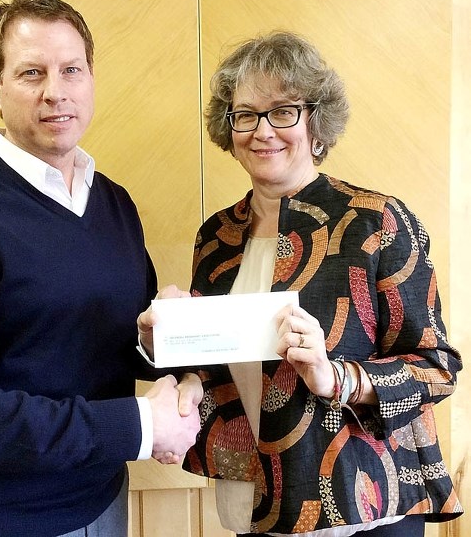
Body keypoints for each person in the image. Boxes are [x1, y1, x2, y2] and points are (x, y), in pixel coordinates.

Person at [0, 0, 201, 537]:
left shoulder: (114, 203)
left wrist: (164, 344)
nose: (56, 92)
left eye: (71, 70)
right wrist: (140, 424)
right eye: (32, 73)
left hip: (104, 503)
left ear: (91, 79)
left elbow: (108, 346)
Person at [138, 31, 463, 536]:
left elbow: (436, 368)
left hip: (363, 504)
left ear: (316, 124)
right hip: (254, 495)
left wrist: (335, 377)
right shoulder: (217, 237)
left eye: (283, 111)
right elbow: (212, 369)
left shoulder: (376, 222)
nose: (263, 131)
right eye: (245, 115)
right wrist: (166, 349)